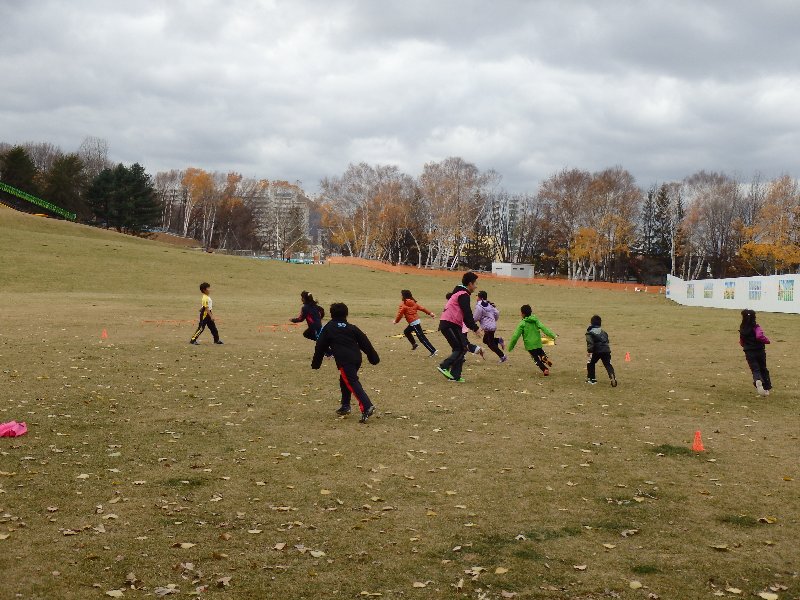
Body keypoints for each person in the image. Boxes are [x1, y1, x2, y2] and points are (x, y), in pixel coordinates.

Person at [312, 302, 380, 423]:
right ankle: (345, 406)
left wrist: (316, 363)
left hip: (345, 360)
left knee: (351, 381)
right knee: (344, 380)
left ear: (331, 314)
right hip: (356, 358)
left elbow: (320, 346)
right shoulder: (351, 327)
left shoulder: (328, 328)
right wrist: (373, 357)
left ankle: (367, 406)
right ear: (346, 314)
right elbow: (365, 342)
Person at [437, 272, 480, 382]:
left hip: (452, 324)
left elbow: (464, 316)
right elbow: (467, 312)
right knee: (461, 348)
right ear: (470, 284)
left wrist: (472, 327)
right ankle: (444, 366)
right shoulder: (463, 294)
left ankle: (455, 376)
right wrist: (475, 328)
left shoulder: (461, 293)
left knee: (461, 348)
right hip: (450, 323)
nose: (476, 286)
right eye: (475, 283)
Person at [506, 304, 556, 376]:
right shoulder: (536, 320)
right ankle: (543, 357)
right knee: (540, 352)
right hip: (538, 342)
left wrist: (511, 347)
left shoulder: (522, 323)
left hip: (530, 345)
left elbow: (515, 336)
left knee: (536, 359)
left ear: (523, 314)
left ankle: (545, 369)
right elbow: (544, 328)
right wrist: (553, 335)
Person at [394, 290, 437, 356]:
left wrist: (396, 321)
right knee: (406, 332)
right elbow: (422, 308)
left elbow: (400, 314)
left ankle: (433, 350)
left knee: (421, 338)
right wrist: (430, 313)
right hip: (415, 321)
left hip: (414, 323)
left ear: (403, 296)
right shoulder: (413, 302)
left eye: (401, 295)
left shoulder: (403, 305)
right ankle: (414, 344)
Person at [739, 309, 772, 396]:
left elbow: (741, 341)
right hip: (759, 350)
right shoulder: (756, 327)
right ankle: (766, 388)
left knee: (755, 369)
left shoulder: (742, 328)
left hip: (749, 351)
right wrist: (767, 341)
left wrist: (746, 345)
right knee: (763, 368)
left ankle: (757, 379)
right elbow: (759, 336)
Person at [474, 291, 507, 363]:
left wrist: (471, 322)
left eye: (477, 296)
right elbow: (497, 312)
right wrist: (493, 320)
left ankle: (502, 356)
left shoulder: (479, 306)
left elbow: (476, 317)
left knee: (491, 344)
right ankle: (498, 340)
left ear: (480, 298)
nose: (476, 298)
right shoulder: (489, 304)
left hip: (488, 327)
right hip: (492, 326)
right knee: (485, 340)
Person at [585, 315, 617, 386]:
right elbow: (607, 341)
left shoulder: (590, 332)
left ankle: (592, 379)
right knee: (608, 364)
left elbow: (590, 343)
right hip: (606, 350)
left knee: (590, 363)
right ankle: (612, 376)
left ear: (591, 323)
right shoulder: (603, 332)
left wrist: (589, 351)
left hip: (596, 351)